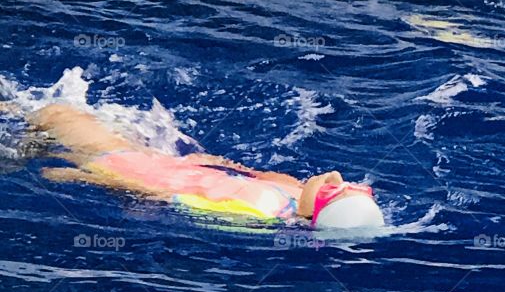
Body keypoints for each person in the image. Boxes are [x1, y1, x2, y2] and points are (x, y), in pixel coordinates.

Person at [15, 102, 384, 230]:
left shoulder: (252, 213)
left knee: (57, 114)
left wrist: (87, 177)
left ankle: (17, 122)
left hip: (130, 168)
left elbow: (165, 196)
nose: (336, 177)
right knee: (72, 121)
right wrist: (215, 162)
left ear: (314, 211)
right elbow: (255, 175)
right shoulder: (293, 191)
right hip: (172, 163)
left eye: (334, 188)